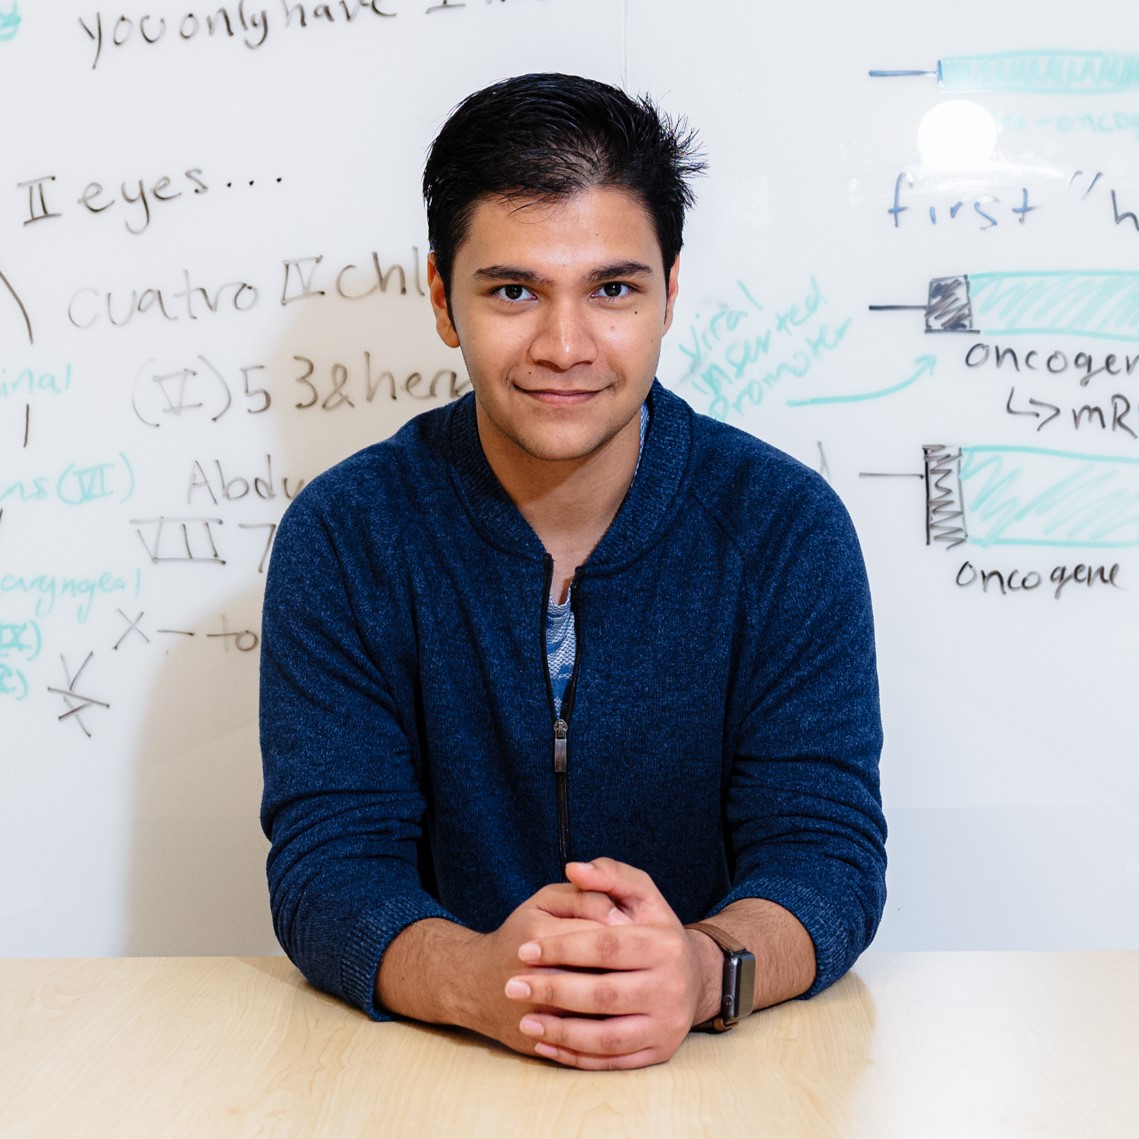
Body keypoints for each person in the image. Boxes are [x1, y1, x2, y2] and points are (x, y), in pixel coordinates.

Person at [260, 72, 886, 1071]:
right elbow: (329, 869)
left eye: (612, 289)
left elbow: (824, 855)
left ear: (669, 294)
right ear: (441, 297)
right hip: (430, 1070)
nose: (564, 346)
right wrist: (486, 980)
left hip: (715, 1075)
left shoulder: (781, 527)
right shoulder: (344, 534)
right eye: (513, 290)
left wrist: (699, 967)